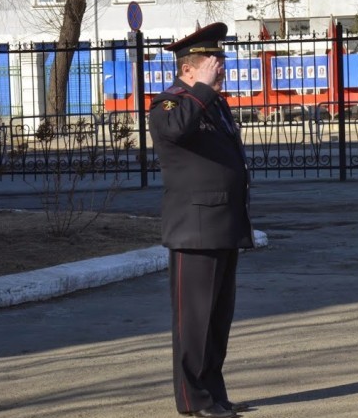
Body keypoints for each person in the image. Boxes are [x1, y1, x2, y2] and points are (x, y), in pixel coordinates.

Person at [149, 22, 254, 418]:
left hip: (223, 224)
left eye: (221, 64)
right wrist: (202, 91)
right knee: (194, 323)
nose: (221, 71)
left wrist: (207, 94)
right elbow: (175, 132)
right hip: (194, 229)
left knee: (216, 321)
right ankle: (194, 399)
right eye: (214, 64)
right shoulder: (170, 104)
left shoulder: (213, 103)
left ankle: (214, 394)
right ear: (189, 69)